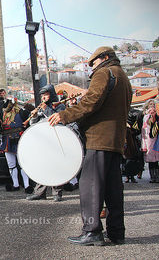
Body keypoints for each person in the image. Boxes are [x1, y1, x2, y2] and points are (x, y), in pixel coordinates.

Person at [48, 46, 132, 245]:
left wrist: (64, 115)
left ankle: (92, 231)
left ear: (103, 58)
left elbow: (91, 102)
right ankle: (117, 233)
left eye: (92, 63)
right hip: (115, 140)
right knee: (113, 189)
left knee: (90, 186)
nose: (90, 68)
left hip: (99, 138)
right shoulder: (123, 77)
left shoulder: (104, 73)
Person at [26, 84, 66, 202]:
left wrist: (45, 109)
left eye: (46, 94)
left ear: (52, 94)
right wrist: (33, 116)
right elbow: (33, 125)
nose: (43, 97)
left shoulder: (60, 106)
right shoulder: (40, 107)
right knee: (42, 166)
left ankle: (57, 192)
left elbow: (57, 119)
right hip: (43, 141)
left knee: (56, 166)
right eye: (42, 95)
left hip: (56, 139)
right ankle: (39, 192)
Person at [0, 97, 33, 194]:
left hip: (19, 140)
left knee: (23, 164)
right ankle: (15, 184)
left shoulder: (22, 112)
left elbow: (31, 119)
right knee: (11, 165)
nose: (8, 105)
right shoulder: (2, 113)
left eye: (10, 103)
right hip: (7, 140)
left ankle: (27, 185)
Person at [141, 99, 159, 183]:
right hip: (148, 139)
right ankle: (153, 177)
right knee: (151, 160)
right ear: (147, 106)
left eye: (153, 104)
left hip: (156, 139)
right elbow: (145, 127)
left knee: (156, 159)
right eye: (150, 104)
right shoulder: (146, 116)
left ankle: (157, 176)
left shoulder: (157, 115)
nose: (152, 105)